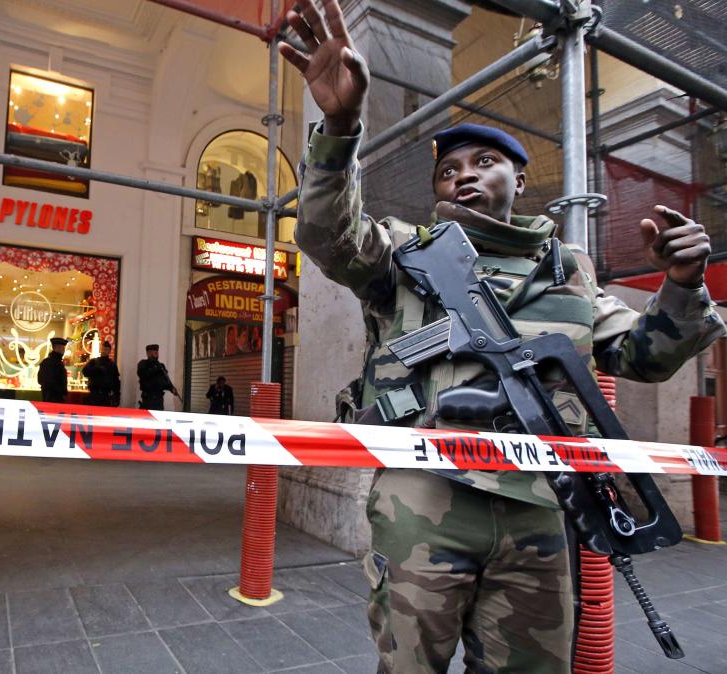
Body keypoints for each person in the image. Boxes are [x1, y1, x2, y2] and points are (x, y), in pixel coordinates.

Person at [279, 2, 726, 672]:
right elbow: (324, 233)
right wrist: (340, 127)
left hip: (539, 509)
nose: (461, 173)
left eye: (483, 161)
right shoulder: (404, 253)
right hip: (423, 500)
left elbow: (646, 355)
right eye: (447, 168)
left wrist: (685, 286)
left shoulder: (569, 272)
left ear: (519, 180)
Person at [137, 344, 180, 410]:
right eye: (153, 351)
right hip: (148, 398)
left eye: (157, 351)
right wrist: (156, 368)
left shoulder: (161, 366)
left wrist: (171, 388)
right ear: (148, 353)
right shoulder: (143, 363)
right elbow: (144, 375)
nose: (156, 353)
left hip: (159, 399)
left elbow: (165, 381)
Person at [83, 341, 121, 407]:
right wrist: (96, 369)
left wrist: (117, 397)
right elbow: (85, 372)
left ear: (109, 351)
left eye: (106, 349)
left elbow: (116, 382)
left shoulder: (112, 365)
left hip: (106, 395)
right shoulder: (94, 362)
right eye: (103, 349)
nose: (104, 351)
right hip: (94, 394)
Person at [37, 337, 69, 403]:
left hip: (48, 396)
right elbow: (50, 382)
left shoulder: (48, 362)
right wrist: (61, 391)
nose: (63, 351)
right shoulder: (55, 363)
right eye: (63, 348)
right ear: (57, 348)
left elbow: (40, 380)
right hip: (54, 397)